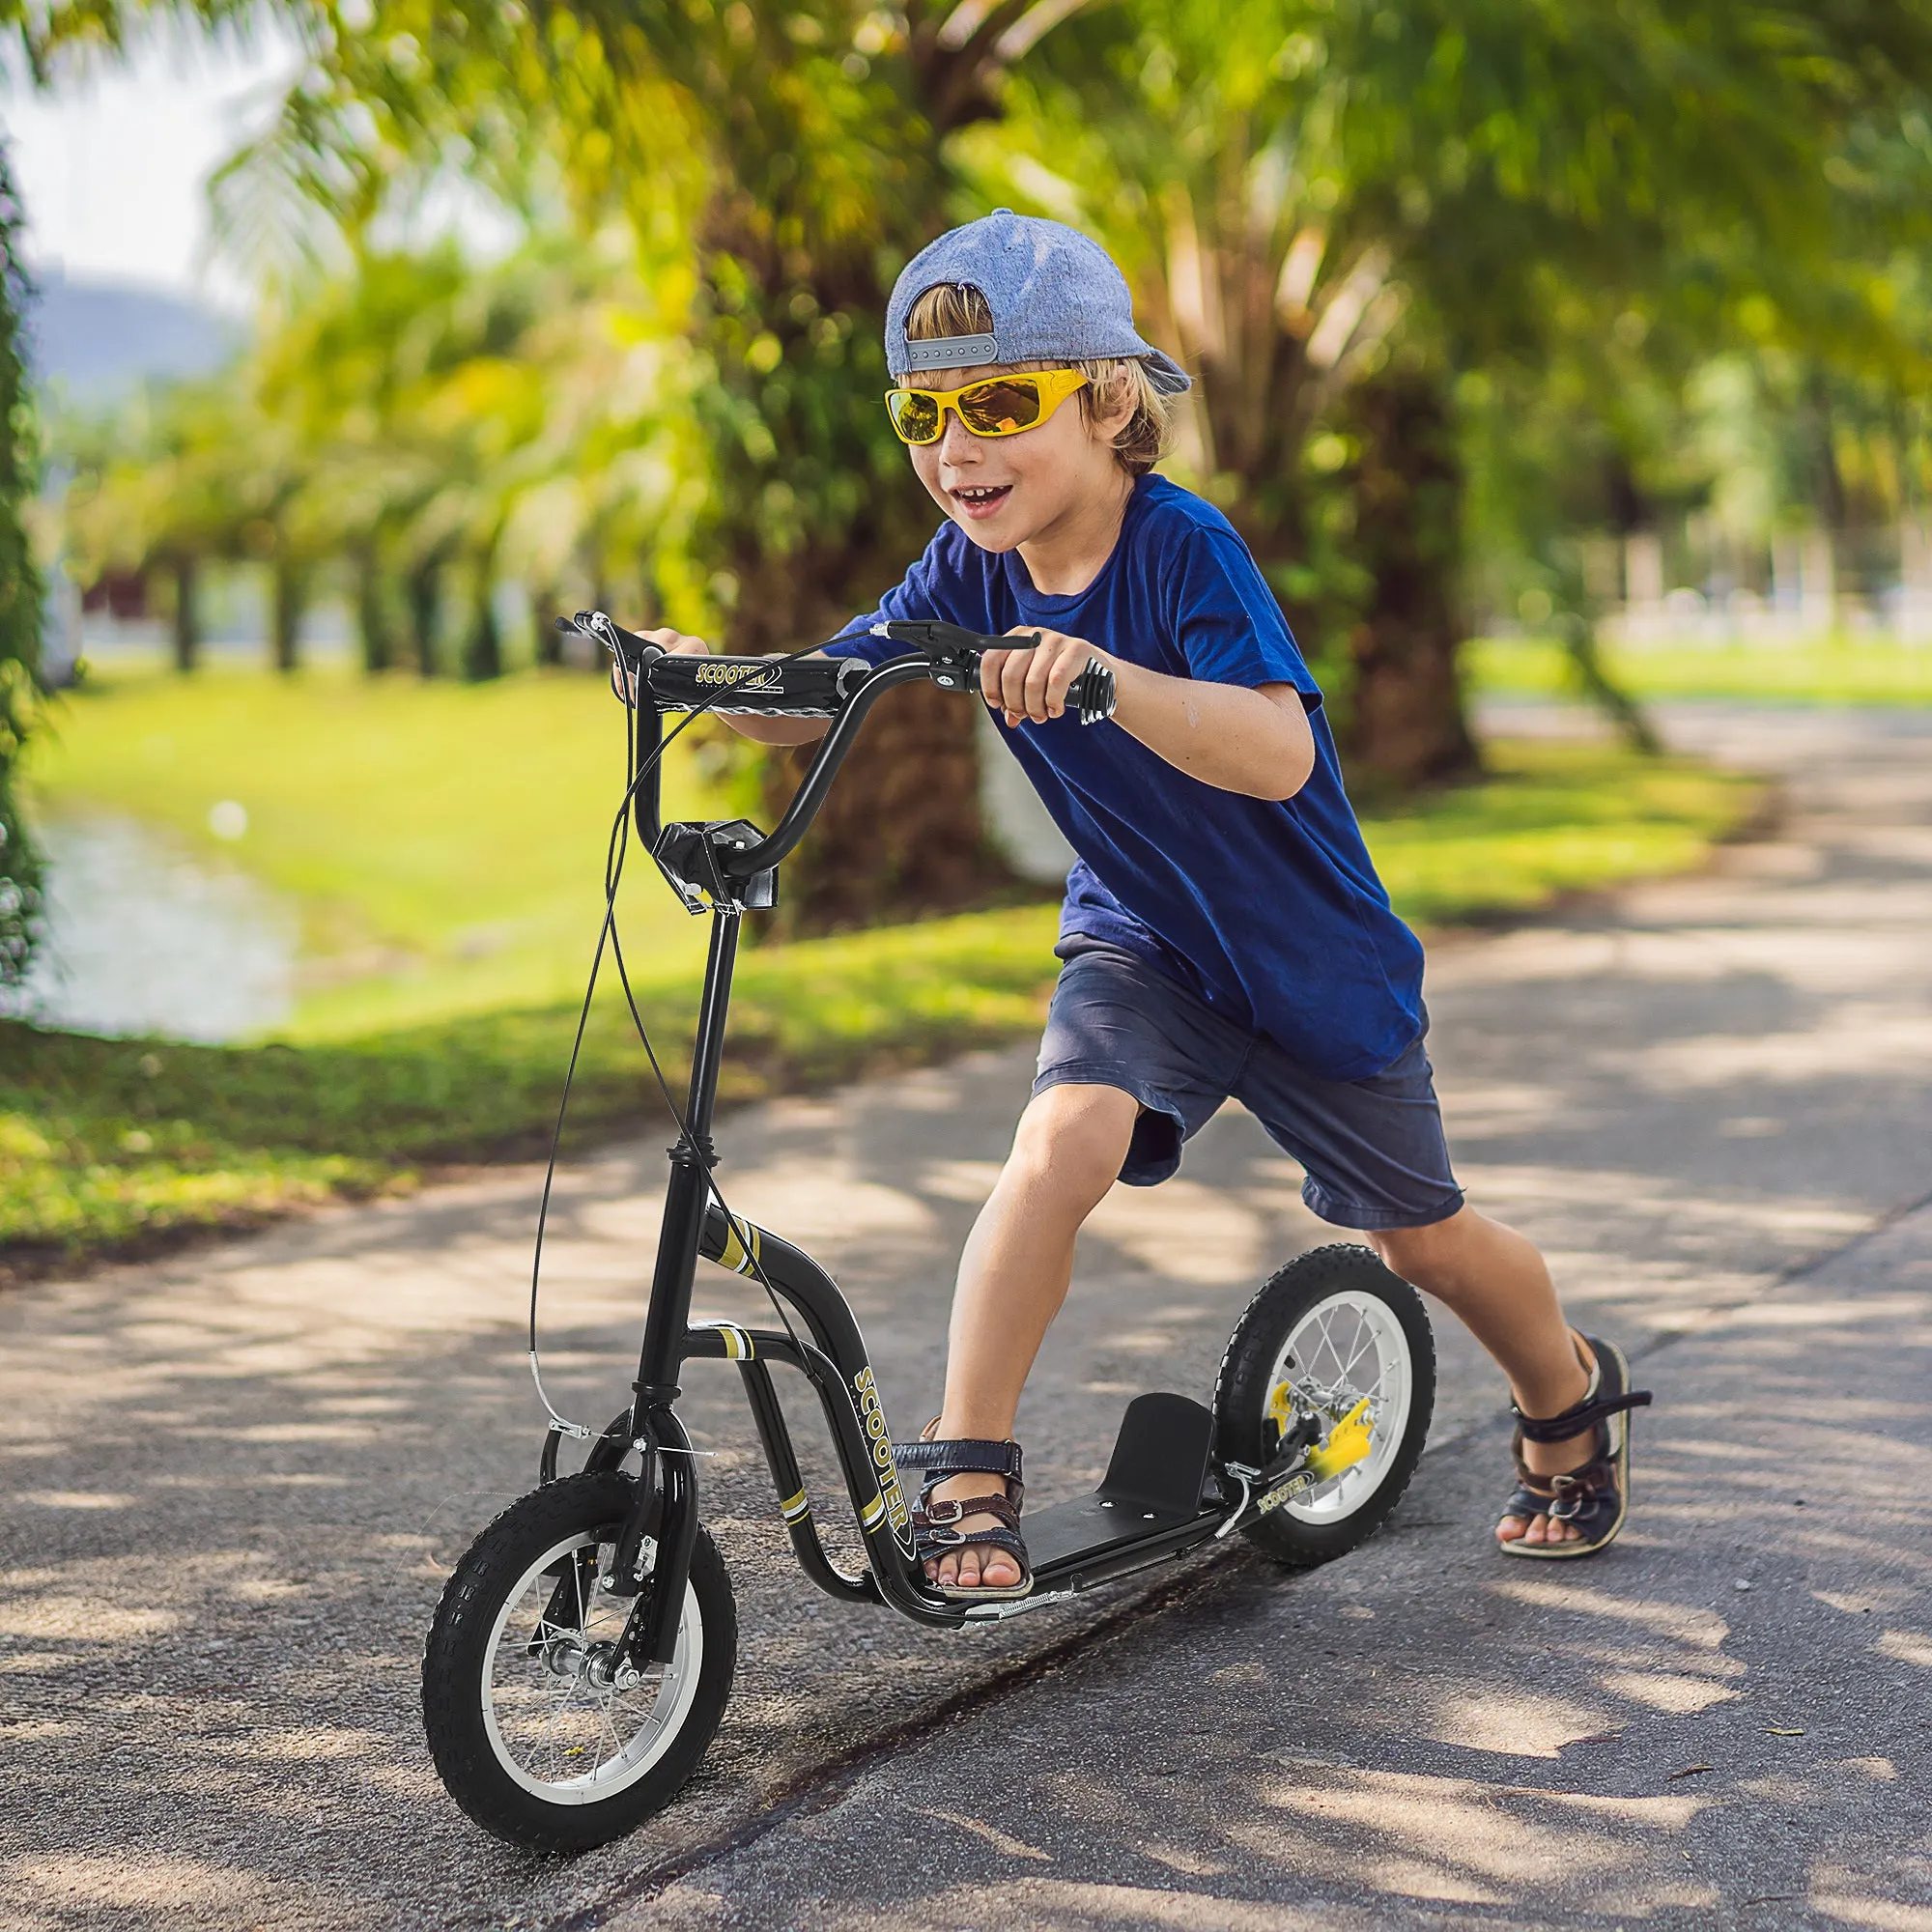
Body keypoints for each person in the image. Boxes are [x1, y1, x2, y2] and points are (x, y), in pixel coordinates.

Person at [630, 211, 1648, 1600]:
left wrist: (1105, 677)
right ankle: (967, 1471)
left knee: (1420, 1238)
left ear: (1110, 402)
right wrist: (711, 677)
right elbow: (825, 695)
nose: (956, 450)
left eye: (999, 404)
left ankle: (1567, 1395)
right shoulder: (969, 569)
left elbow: (1279, 748)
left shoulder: (1182, 549)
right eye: (921, 413)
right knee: (1060, 1143)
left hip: (1307, 960)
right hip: (1143, 939)